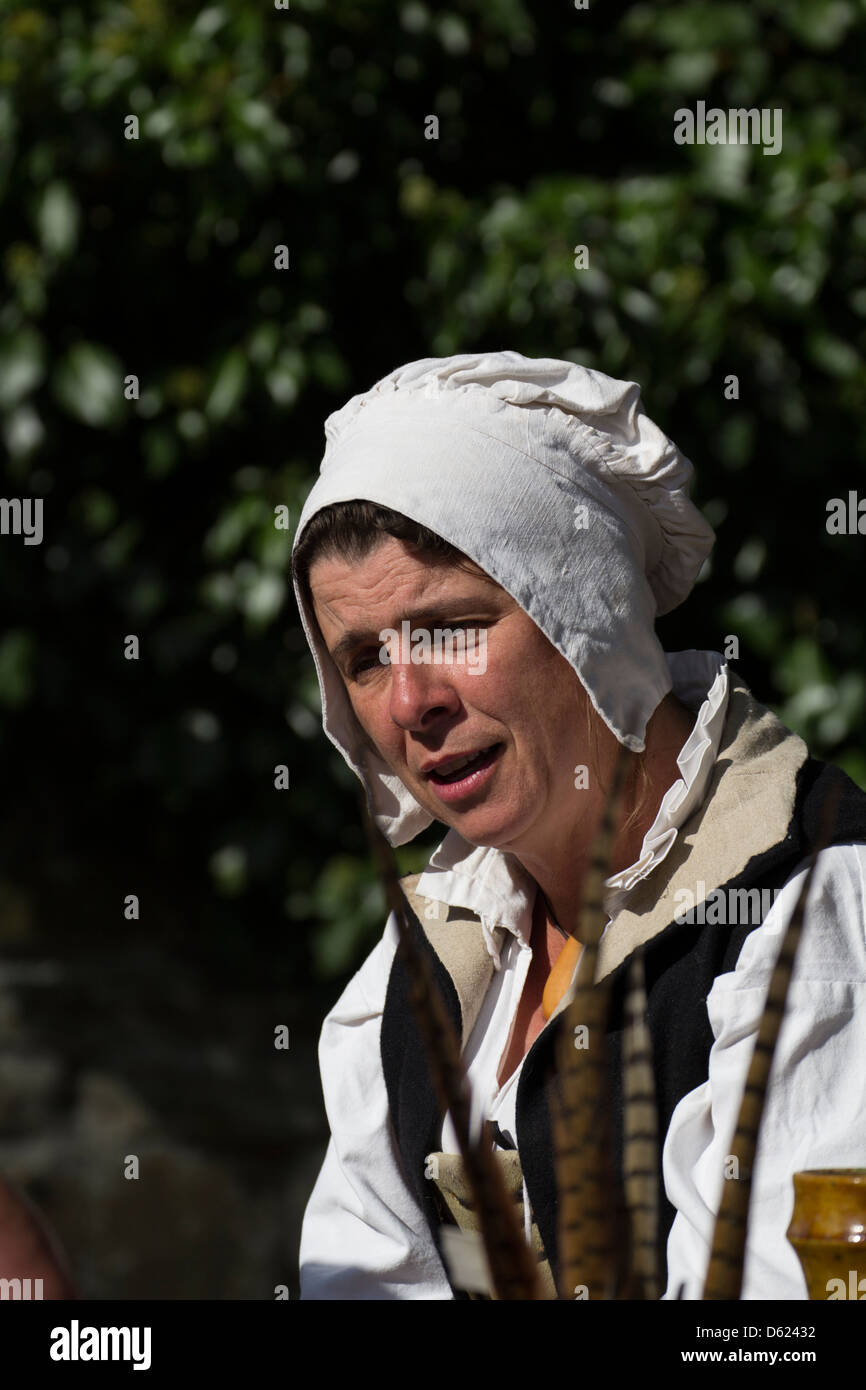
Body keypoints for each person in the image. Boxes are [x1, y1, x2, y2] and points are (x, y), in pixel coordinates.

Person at [291, 350, 866, 1300]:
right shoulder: (420, 976)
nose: (408, 700)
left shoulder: (812, 916)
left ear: (582, 615)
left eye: (450, 629)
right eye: (362, 658)